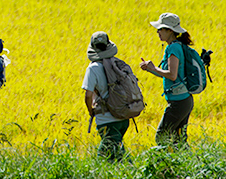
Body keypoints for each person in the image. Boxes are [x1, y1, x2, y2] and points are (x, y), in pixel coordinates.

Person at [139, 13, 195, 148]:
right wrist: (150, 69)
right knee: (179, 140)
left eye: (160, 29)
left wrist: (154, 68)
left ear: (170, 31)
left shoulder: (173, 48)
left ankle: (164, 166)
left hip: (179, 102)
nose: (158, 32)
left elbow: (172, 75)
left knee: (161, 136)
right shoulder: (177, 45)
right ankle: (186, 166)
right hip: (184, 100)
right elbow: (170, 74)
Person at [81, 31, 130, 161]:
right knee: (117, 152)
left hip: (107, 120)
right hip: (124, 117)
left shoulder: (93, 68)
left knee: (104, 158)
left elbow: (88, 95)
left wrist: (91, 111)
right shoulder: (118, 63)